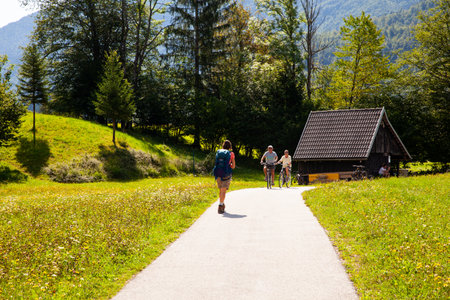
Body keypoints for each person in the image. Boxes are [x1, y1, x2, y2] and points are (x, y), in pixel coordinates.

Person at [213, 140, 236, 214]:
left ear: (223, 145)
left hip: (218, 173)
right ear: (230, 146)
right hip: (226, 174)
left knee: (220, 190)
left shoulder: (219, 152)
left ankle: (221, 203)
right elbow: (233, 166)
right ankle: (220, 205)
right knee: (223, 191)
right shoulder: (231, 153)